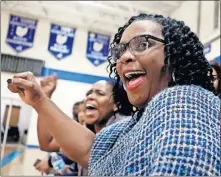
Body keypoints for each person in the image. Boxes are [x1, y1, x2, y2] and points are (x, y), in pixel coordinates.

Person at [7, 13, 220, 176]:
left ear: (174, 56)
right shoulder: (138, 121)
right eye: (120, 51)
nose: (125, 57)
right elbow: (91, 149)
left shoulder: (184, 99)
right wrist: (39, 100)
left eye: (143, 45)